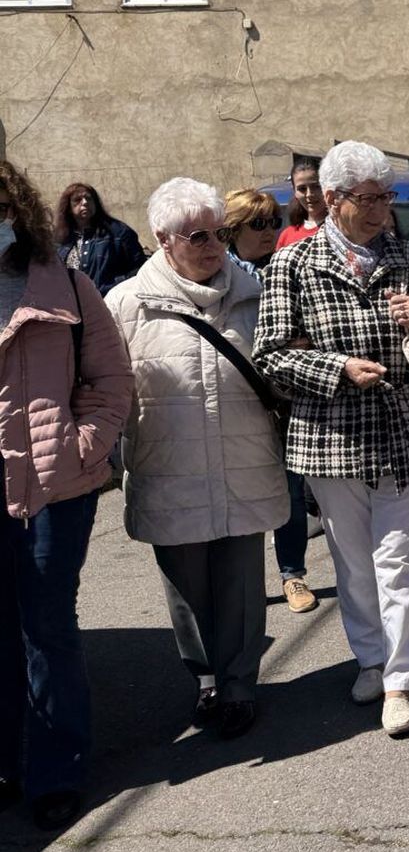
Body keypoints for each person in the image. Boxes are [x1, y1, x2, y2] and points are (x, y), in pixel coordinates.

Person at [255, 141, 409, 738]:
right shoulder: (294, 265)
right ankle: (370, 659)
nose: (381, 211)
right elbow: (269, 356)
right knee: (353, 564)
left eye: (385, 197)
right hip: (331, 439)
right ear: (332, 198)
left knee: (399, 561)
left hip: (408, 433)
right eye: (368, 199)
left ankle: (401, 680)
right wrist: (336, 370)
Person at [107, 179, 290, 741]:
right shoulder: (125, 305)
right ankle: (206, 678)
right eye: (197, 236)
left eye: (220, 233)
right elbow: (107, 391)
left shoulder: (257, 292)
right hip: (168, 468)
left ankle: (239, 687)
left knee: (239, 584)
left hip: (244, 461)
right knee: (185, 587)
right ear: (163, 239)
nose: (213, 245)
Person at [0, 160, 133, 831]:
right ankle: (7, 758)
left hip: (55, 487)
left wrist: (82, 447)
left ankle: (57, 767)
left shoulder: (70, 286)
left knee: (46, 627)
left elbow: (113, 382)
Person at [224, 189, 318, 613]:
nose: (269, 232)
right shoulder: (221, 272)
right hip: (236, 395)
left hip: (280, 396)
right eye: (258, 224)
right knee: (240, 493)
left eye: (273, 223)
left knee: (290, 490)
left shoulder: (285, 266)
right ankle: (241, 584)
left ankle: (292, 575)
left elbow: (303, 329)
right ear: (233, 228)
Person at [54, 182, 145, 295]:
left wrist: (116, 286)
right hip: (71, 304)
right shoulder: (59, 238)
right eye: (77, 200)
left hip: (109, 300)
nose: (85, 203)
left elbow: (140, 269)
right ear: (68, 207)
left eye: (89, 198)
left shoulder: (118, 232)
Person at [275, 158, 327, 250]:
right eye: (302, 189)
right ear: (294, 191)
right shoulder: (287, 235)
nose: (309, 194)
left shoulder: (342, 231)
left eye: (316, 187)